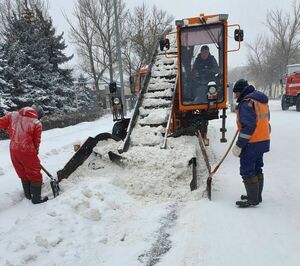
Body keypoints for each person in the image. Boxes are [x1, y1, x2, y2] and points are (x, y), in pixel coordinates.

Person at [232, 79, 270, 208]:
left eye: (236, 93)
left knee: (247, 169)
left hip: (252, 142)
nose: (236, 96)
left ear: (241, 91)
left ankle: (252, 199)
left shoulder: (246, 103)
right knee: (257, 167)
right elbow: (266, 121)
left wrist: (240, 145)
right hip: (263, 140)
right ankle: (256, 196)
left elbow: (248, 127)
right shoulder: (260, 100)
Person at [0, 103, 48, 204]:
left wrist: (8, 128)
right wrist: (35, 153)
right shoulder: (36, 123)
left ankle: (28, 195)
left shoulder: (12, 115)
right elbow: (36, 141)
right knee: (34, 173)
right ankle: (36, 199)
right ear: (38, 114)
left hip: (13, 150)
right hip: (27, 150)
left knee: (22, 172)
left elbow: (1, 123)